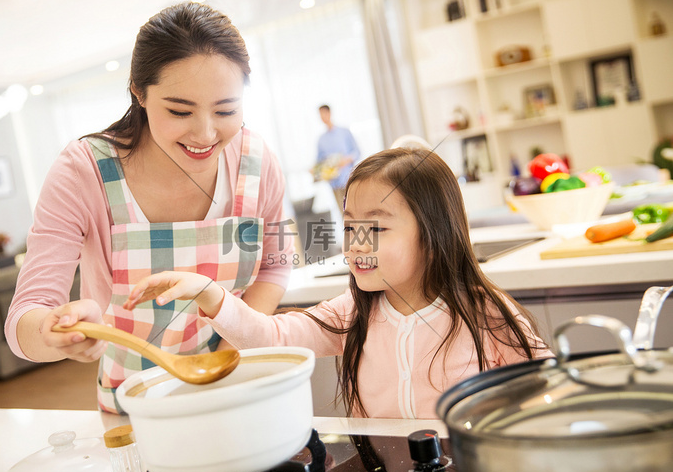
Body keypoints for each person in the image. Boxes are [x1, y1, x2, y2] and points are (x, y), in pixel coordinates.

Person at [5, 2, 294, 414]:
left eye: (226, 110)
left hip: (241, 383)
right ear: (138, 92)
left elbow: (277, 263)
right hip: (138, 404)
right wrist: (53, 331)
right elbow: (24, 318)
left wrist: (234, 342)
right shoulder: (83, 171)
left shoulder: (258, 161)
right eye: (180, 110)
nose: (206, 133)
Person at [122, 146, 553, 419]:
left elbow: (549, 389)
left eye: (377, 229)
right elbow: (268, 336)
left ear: (434, 234)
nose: (356, 244)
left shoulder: (485, 313)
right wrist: (209, 292)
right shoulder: (351, 313)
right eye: (349, 227)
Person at [315, 104, 360, 210]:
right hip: (334, 182)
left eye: (324, 113)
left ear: (329, 113)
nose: (322, 117)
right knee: (343, 213)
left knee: (355, 209)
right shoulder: (321, 140)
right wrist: (315, 170)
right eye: (320, 115)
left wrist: (346, 160)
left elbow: (357, 152)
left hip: (348, 179)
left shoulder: (344, 132)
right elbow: (319, 161)